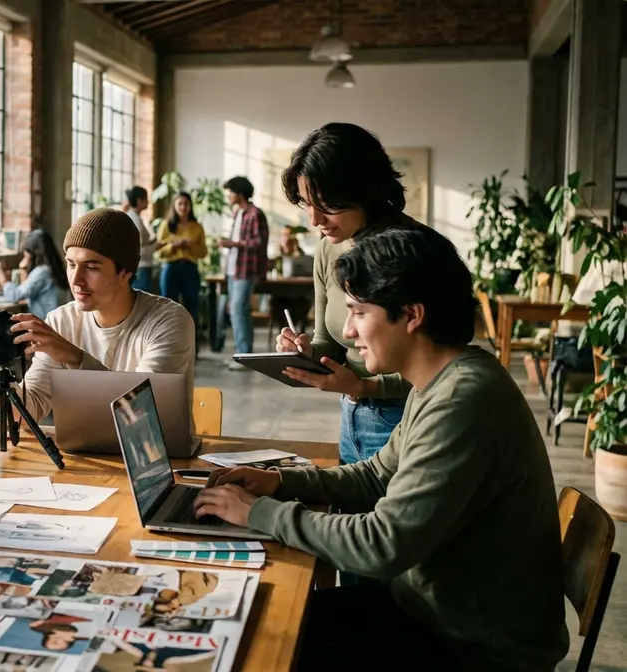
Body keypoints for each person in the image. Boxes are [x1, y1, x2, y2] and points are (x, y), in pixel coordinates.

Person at [191, 227, 568, 671]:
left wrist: (258, 512)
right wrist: (280, 480)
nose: (348, 331)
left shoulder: (461, 401)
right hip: (432, 613)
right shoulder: (447, 379)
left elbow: (382, 544)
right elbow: (375, 475)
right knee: (251, 623)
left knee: (256, 651)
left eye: (358, 312)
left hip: (474, 647)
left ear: (411, 315)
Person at [276, 122, 426, 465]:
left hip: (407, 414)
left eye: (325, 204)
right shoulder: (328, 250)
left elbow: (442, 366)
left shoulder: (416, 252)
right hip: (353, 413)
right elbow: (329, 341)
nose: (314, 219)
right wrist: (306, 353)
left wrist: (366, 387)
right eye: (306, 203)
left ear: (362, 190)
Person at [0, 208, 196, 422]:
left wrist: (74, 357)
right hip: (84, 459)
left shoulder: (169, 321)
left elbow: (139, 414)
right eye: (71, 264)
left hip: (157, 462)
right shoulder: (62, 321)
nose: (76, 280)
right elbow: (26, 414)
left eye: (91, 267)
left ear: (125, 272)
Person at [217, 176, 268, 369]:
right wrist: (230, 243)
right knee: (239, 311)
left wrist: (233, 243)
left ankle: (244, 356)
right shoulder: (237, 213)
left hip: (246, 270)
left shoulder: (255, 214)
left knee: (239, 310)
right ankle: (243, 355)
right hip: (233, 269)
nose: (228, 196)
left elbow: (259, 242)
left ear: (239, 193)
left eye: (230, 192)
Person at [0, 229, 69, 318]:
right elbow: (26, 290)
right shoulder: (53, 269)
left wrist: (0, 274)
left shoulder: (42, 272)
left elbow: (15, 295)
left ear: (33, 252)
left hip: (45, 324)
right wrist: (23, 269)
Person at [155, 192, 208, 324]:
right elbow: (157, 252)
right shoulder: (166, 225)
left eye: (186, 204)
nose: (183, 207)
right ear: (174, 205)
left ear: (190, 206)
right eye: (180, 204)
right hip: (171, 268)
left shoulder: (197, 227)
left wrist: (190, 246)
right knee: (167, 306)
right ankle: (168, 341)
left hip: (190, 268)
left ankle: (191, 341)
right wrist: (173, 247)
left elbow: (203, 252)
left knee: (192, 306)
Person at [123, 185, 155, 292]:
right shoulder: (134, 220)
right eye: (146, 199)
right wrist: (157, 246)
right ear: (139, 200)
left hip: (142, 266)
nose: (148, 202)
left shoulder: (137, 218)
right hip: (141, 267)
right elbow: (139, 249)